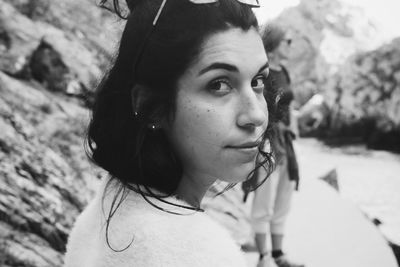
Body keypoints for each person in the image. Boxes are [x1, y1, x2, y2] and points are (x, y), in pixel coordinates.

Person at [63, 0, 278, 266]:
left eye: (257, 81)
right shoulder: (199, 256)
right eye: (219, 84)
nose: (255, 115)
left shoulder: (108, 208)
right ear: (150, 107)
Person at [247, 23, 303, 267]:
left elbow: (288, 108)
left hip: (287, 143)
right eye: (287, 41)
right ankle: (264, 257)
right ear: (275, 43)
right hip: (269, 141)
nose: (290, 45)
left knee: (284, 198)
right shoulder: (264, 70)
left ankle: (279, 254)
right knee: (264, 199)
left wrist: (294, 130)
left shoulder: (285, 72)